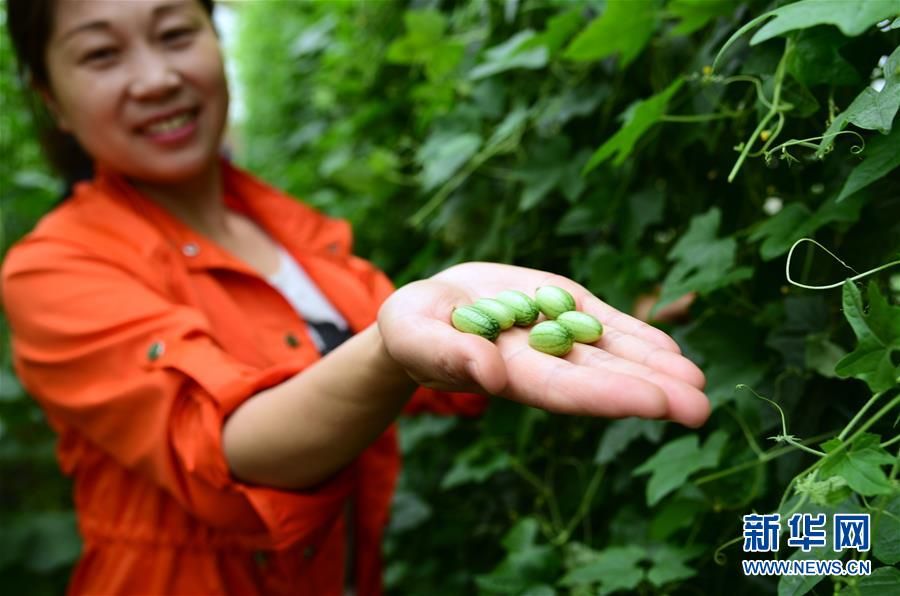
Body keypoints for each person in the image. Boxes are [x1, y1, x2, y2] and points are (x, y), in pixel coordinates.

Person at [0, 1, 711, 594]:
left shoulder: (297, 232)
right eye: (101, 54)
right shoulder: (53, 271)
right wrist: (386, 351)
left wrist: (606, 318)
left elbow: (447, 358)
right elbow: (235, 449)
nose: (157, 78)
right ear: (50, 98)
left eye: (176, 34)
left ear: (216, 42)